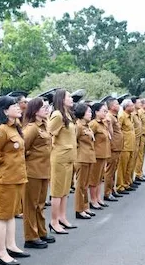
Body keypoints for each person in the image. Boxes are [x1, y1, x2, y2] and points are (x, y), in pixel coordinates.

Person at [0, 96, 28, 265]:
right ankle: (1, 252)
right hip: (5, 178)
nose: (19, 108)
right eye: (14, 106)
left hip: (17, 177)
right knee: (2, 216)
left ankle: (11, 246)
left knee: (11, 214)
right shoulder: (1, 130)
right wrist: (1, 165)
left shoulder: (15, 127)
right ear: (5, 111)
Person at [21, 98, 54, 249]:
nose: (47, 109)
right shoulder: (32, 128)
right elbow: (22, 149)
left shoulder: (45, 125)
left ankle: (41, 232)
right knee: (31, 205)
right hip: (32, 171)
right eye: (43, 107)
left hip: (43, 170)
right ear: (35, 111)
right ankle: (31, 236)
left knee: (40, 204)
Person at [46, 89, 76, 233]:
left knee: (65, 190)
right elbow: (48, 134)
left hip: (69, 157)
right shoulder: (57, 115)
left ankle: (62, 217)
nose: (71, 99)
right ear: (61, 99)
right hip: (60, 157)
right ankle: (54, 221)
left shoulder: (67, 114)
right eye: (69, 96)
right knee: (57, 191)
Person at [72, 102, 96, 220]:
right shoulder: (78, 126)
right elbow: (74, 142)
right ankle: (79, 209)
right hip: (81, 158)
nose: (91, 114)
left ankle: (85, 207)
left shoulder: (87, 126)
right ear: (82, 113)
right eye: (88, 112)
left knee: (85, 185)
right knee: (80, 185)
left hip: (89, 158)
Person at [89, 102, 111, 211]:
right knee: (94, 178)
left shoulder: (103, 123)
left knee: (99, 178)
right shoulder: (93, 124)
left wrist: (109, 124)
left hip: (104, 154)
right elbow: (88, 139)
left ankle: (98, 198)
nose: (105, 113)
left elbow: (109, 136)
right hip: (96, 155)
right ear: (96, 112)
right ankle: (93, 199)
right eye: (104, 111)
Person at [104, 96, 123, 202]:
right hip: (113, 147)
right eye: (116, 104)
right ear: (111, 106)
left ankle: (112, 189)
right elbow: (108, 132)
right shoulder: (109, 117)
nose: (118, 106)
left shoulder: (114, 116)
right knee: (109, 171)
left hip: (117, 147)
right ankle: (107, 192)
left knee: (113, 170)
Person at [116, 99, 136, 193]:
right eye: (131, 106)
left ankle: (127, 183)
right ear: (126, 107)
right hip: (125, 145)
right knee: (122, 167)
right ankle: (120, 186)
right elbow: (118, 130)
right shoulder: (122, 116)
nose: (133, 107)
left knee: (129, 165)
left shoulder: (130, 116)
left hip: (131, 144)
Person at [134, 98, 145, 183]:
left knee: (142, 155)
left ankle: (140, 171)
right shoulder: (140, 112)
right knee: (139, 156)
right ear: (143, 104)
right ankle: (138, 174)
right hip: (140, 136)